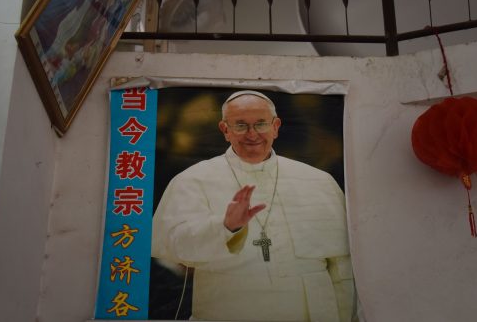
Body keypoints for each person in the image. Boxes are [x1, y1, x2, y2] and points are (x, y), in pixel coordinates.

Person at [151, 90, 358, 321]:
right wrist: (225, 227)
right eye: (240, 125)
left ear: (276, 127)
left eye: (261, 124)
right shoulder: (192, 180)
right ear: (225, 130)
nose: (252, 134)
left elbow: (343, 267)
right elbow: (172, 247)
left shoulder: (319, 182)